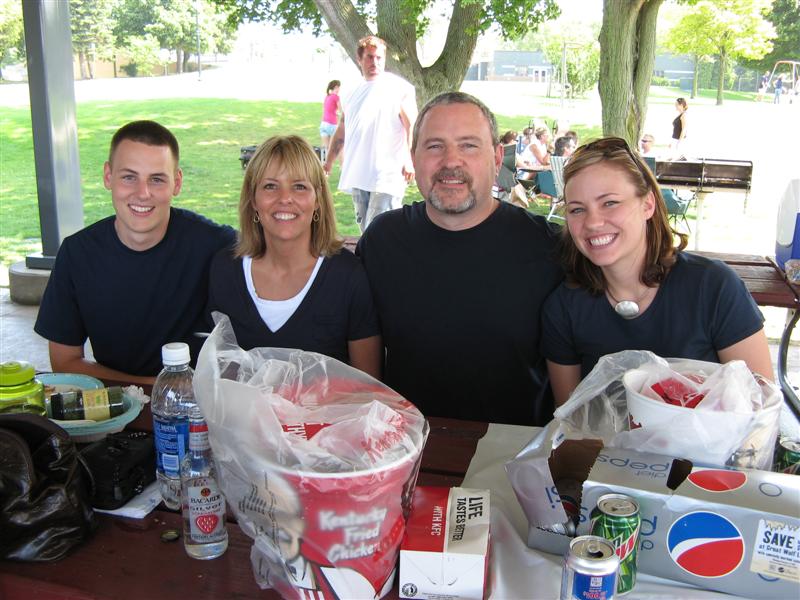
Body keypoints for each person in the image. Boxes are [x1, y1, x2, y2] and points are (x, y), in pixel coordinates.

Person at [357, 92, 563, 426]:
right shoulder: (383, 241)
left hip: (512, 456)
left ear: (497, 158)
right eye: (435, 146)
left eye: (468, 145)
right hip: (407, 448)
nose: (451, 161)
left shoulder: (548, 248)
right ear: (414, 157)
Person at [540, 137, 773, 406]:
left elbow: (762, 406)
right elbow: (570, 421)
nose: (592, 222)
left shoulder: (713, 287)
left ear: (648, 204)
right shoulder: (564, 308)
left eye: (610, 203)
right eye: (577, 209)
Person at [34, 120, 236, 384]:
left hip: (197, 411)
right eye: (129, 177)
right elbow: (64, 361)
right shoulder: (77, 253)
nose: (143, 193)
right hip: (114, 407)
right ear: (108, 176)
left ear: (176, 183)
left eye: (157, 179)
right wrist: (155, 388)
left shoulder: (215, 243)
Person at [207, 135, 381, 379]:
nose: (285, 198)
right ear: (253, 200)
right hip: (240, 417)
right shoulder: (225, 269)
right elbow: (217, 373)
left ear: (318, 199)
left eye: (299, 186)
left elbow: (369, 386)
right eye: (270, 186)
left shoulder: (348, 276)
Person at [323, 35, 417, 233]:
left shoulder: (399, 88)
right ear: (360, 59)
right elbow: (342, 128)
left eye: (379, 58)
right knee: (366, 232)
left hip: (387, 175)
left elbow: (411, 126)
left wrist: (409, 160)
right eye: (369, 57)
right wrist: (329, 162)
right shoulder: (350, 91)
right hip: (358, 173)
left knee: (381, 230)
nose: (375, 62)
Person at [319, 79, 341, 163]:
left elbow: (325, 110)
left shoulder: (327, 97)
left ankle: (322, 169)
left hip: (323, 125)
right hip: (331, 125)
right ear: (334, 87)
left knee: (325, 148)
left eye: (339, 87)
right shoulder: (336, 97)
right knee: (337, 148)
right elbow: (341, 111)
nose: (339, 89)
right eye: (338, 87)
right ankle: (342, 167)